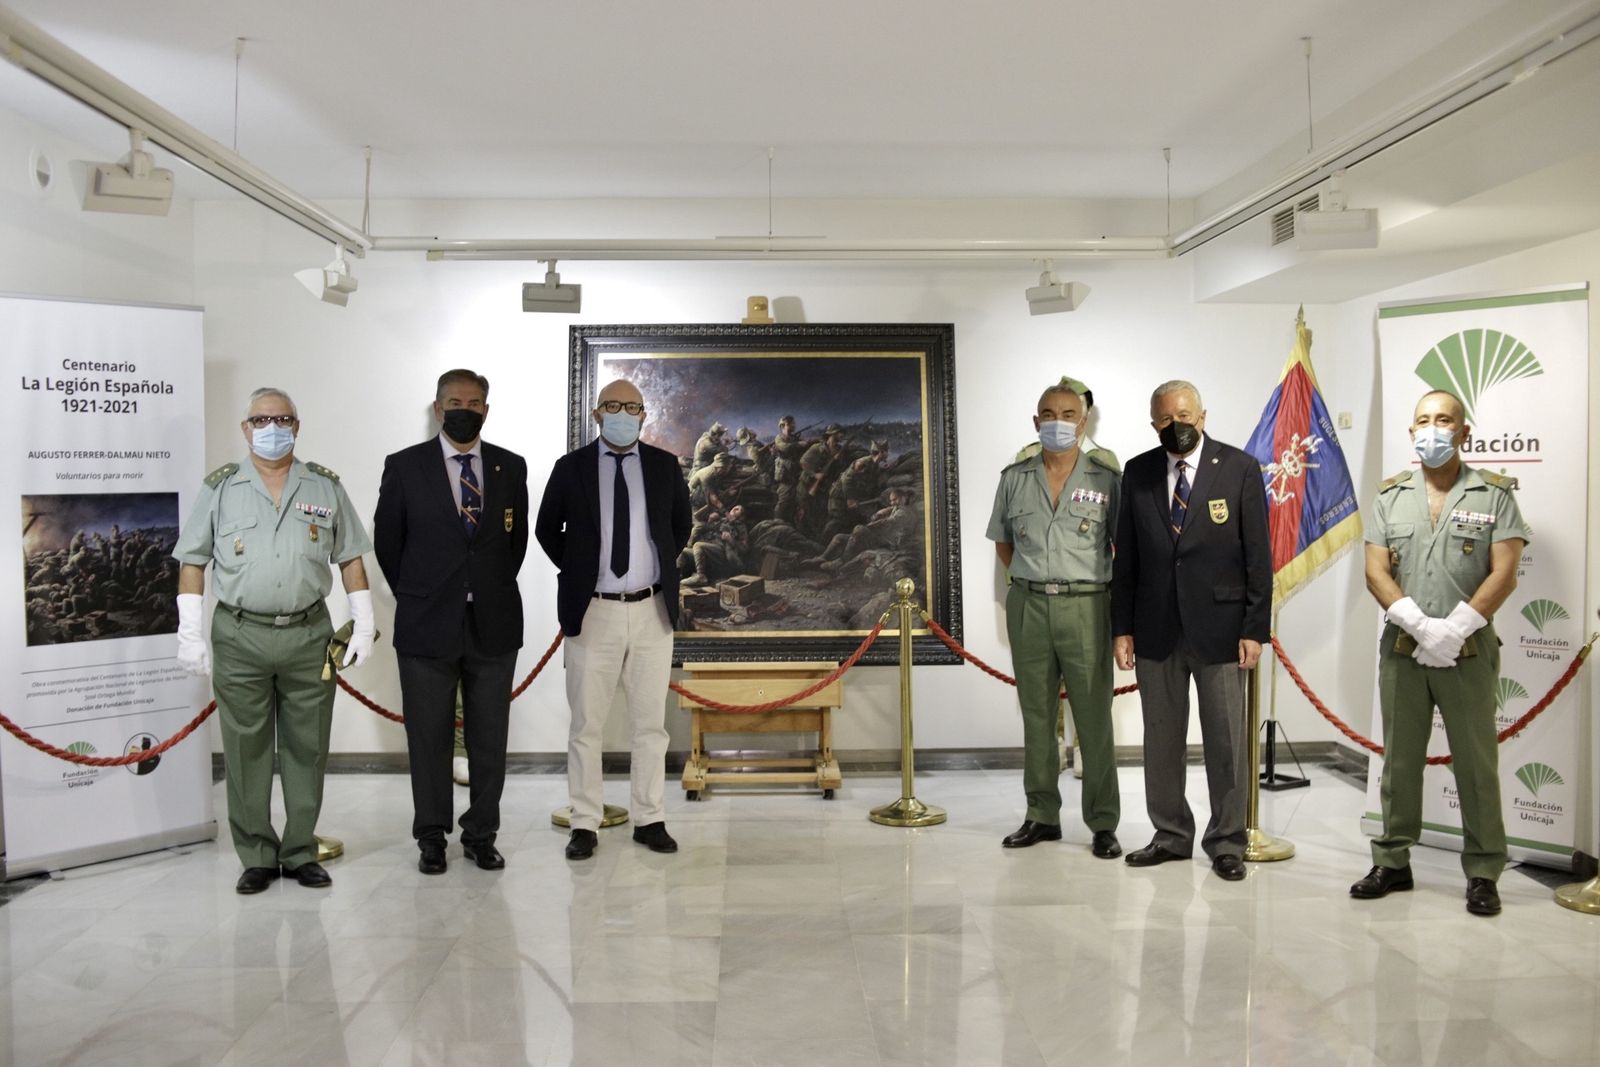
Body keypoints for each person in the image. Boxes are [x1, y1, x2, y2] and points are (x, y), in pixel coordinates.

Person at [172, 387, 375, 894]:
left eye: (282, 418)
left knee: (308, 747)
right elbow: (193, 561)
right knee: (245, 749)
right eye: (261, 419)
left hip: (309, 633)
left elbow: (350, 555)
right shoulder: (221, 488)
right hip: (240, 635)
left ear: (297, 426)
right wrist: (190, 632)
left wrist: (364, 620)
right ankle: (257, 855)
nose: (272, 427)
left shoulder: (325, 486)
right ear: (246, 429)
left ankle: (301, 850)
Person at [1350, 390, 1529, 917]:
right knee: (1399, 761)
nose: (1433, 429)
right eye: (1423, 421)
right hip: (1403, 647)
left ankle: (1482, 871)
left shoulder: (1494, 494)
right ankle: (1393, 861)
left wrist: (1455, 629)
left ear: (1463, 431)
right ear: (1412, 433)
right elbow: (1375, 570)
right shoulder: (1390, 496)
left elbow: (1505, 571)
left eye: (1444, 420)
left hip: (1468, 650)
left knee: (1476, 763)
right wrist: (1420, 626)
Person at [1111, 379, 1270, 881]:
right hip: (1155, 628)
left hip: (1222, 630)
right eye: (1163, 419)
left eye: (1183, 415)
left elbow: (1258, 558)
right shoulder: (1136, 473)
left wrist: (1254, 628)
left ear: (1202, 416)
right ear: (1153, 422)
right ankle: (1171, 834)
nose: (1174, 426)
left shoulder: (1240, 468)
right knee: (1161, 739)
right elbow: (1126, 558)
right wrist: (1122, 628)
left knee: (1225, 741)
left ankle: (1227, 841)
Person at [373, 368, 529, 875]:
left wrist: (484, 587)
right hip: (425, 624)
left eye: (475, 401)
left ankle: (482, 833)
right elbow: (387, 545)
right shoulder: (405, 466)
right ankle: (431, 836)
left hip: (493, 622)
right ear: (438, 408)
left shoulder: (510, 467)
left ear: (487, 408)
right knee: (428, 736)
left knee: (489, 737)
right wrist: (420, 595)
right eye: (455, 401)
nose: (465, 408)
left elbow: (515, 544)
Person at [535, 378, 692, 861]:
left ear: (644, 415)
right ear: (598, 414)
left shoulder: (665, 467)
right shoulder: (571, 468)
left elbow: (680, 528)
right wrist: (582, 569)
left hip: (651, 610)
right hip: (594, 609)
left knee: (650, 725)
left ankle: (649, 818)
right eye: (614, 405)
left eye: (633, 406)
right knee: (587, 725)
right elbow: (546, 529)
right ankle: (585, 822)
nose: (624, 413)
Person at [987, 383, 1122, 857]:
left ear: (1083, 423)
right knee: (1037, 717)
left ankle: (1103, 822)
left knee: (1093, 718)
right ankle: (1041, 815)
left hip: (1087, 606)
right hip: (1030, 606)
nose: (1058, 421)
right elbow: (1004, 542)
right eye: (1048, 413)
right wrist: (1029, 582)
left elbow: (1124, 549)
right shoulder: (1015, 476)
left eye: (1068, 413)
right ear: (1035, 421)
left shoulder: (1106, 478)